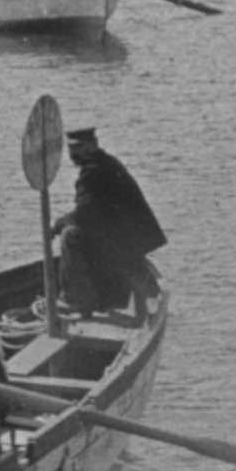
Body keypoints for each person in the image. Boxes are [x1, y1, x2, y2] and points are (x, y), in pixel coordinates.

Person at [53, 126, 166, 324]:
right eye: (71, 148)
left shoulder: (93, 171)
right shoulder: (106, 163)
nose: (73, 153)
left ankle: (77, 300)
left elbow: (84, 213)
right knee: (75, 233)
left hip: (121, 240)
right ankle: (96, 298)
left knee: (70, 234)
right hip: (127, 238)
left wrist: (56, 225)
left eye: (78, 147)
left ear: (92, 145)